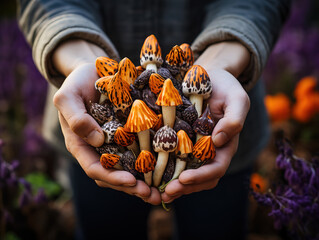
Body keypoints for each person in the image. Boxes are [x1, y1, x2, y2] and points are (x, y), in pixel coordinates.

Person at [17, 0, 291, 239]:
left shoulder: (182, 105)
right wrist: (78, 60)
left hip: (221, 124)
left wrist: (223, 60)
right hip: (92, 136)